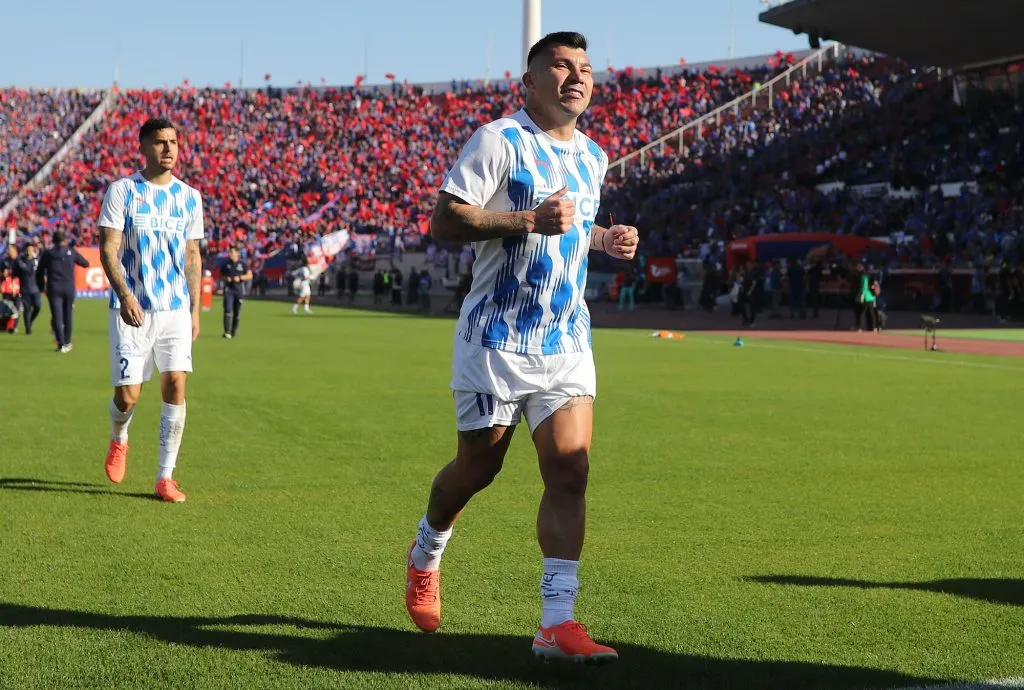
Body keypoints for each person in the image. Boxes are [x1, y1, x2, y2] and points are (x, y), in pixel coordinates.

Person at [403, 31, 639, 664]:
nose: (577, 76)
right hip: (496, 339)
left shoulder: (594, 155)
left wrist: (603, 241)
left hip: (566, 339)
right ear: (529, 83)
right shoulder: (498, 140)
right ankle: (427, 549)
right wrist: (527, 220)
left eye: (585, 68)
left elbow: (573, 229)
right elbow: (446, 221)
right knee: (479, 468)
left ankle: (557, 623)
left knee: (571, 468)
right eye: (560, 66)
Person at [96, 117, 205, 503]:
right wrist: (125, 295)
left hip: (174, 308)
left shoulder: (190, 197)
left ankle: (165, 477)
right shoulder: (124, 191)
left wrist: (194, 311)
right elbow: (108, 248)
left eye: (174, 142)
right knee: (128, 396)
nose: (169, 149)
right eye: (160, 142)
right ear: (143, 146)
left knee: (176, 384)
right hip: (132, 308)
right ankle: (119, 436)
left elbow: (193, 256)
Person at [36, 230, 89, 352]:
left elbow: (39, 272)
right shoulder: (71, 251)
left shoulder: (48, 254)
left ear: (53, 241)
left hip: (53, 288)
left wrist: (41, 287)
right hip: (69, 287)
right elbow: (85, 263)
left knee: (57, 316)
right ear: (64, 240)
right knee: (68, 315)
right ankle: (67, 341)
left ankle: (61, 344)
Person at [220, 246, 251, 339]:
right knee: (227, 310)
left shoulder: (243, 264)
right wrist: (226, 278)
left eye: (232, 252)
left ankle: (233, 331)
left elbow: (249, 275)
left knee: (237, 312)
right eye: (229, 252)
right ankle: (227, 331)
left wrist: (240, 278)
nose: (230, 254)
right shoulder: (226, 264)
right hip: (229, 290)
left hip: (239, 290)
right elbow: (221, 276)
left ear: (237, 253)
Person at [15, 243, 43, 334]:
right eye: (28, 249)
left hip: (35, 288)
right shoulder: (21, 260)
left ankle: (30, 321)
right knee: (26, 308)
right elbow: (24, 270)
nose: (29, 251)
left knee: (38, 306)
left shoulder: (36, 260)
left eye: (31, 249)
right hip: (25, 288)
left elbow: (40, 273)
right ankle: (28, 328)